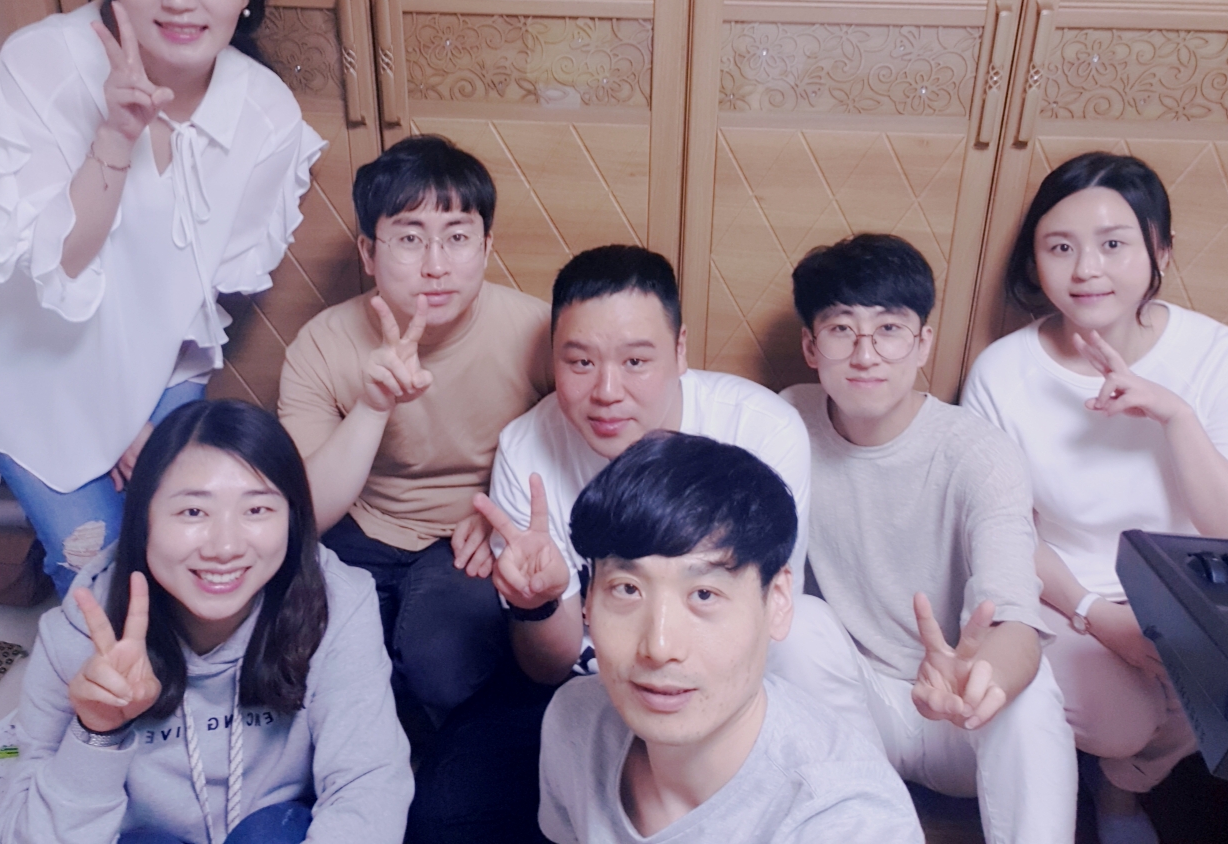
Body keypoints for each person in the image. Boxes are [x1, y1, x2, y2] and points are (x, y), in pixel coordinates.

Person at [0, 0, 326, 598]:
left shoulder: (264, 112)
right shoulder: (44, 63)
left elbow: (206, 291)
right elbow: (61, 263)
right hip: (28, 363)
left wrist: (143, 421)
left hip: (154, 359)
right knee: (98, 564)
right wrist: (115, 134)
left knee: (178, 547)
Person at [407, 245, 814, 844]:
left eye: (635, 361)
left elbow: (762, 626)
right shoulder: (527, 446)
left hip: (711, 690)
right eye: (579, 362)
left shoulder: (759, 431)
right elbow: (549, 667)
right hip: (584, 687)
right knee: (444, 812)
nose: (606, 391)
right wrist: (539, 603)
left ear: (679, 350)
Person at [961, 152, 1228, 844]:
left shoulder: (1227, 359)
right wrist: (1097, 616)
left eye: (1113, 244)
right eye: (1060, 248)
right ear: (1034, 260)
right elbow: (1003, 530)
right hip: (1065, 598)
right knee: (1123, 720)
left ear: (1160, 250)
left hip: (1195, 593)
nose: (1086, 270)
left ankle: (1123, 788)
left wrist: (1176, 418)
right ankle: (1115, 772)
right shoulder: (1003, 373)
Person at [0, 398, 413, 844]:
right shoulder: (81, 635)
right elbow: (20, 833)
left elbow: (368, 785)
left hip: (278, 831)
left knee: (269, 832)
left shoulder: (337, 604)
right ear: (143, 519)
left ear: (292, 519)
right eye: (193, 511)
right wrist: (96, 732)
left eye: (257, 510)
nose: (225, 547)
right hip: (143, 834)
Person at [772, 234, 1076, 844]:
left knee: (1029, 685)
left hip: (959, 716)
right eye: (841, 330)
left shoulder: (979, 453)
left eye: (889, 329)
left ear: (923, 343)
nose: (866, 355)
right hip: (849, 715)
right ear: (810, 346)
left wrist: (975, 685)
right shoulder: (785, 422)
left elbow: (1015, 619)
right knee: (793, 620)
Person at [277, 135, 550, 727]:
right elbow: (306, 512)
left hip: (469, 538)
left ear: (487, 246)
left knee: (444, 665)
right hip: (359, 527)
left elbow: (588, 448)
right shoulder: (322, 345)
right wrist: (373, 406)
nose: (435, 265)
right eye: (408, 238)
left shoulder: (538, 333)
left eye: (458, 237)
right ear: (368, 253)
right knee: (307, 665)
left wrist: (503, 510)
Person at [538, 430, 924, 844]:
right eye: (627, 589)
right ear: (589, 599)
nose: (659, 647)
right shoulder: (575, 721)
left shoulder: (847, 821)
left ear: (778, 602)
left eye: (704, 595)